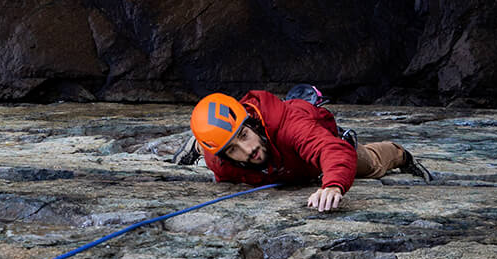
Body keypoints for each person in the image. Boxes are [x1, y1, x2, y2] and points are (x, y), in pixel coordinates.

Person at [177, 85, 432, 211]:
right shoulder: (218, 159)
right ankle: (195, 145)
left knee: (367, 164)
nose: (248, 150)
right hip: (279, 165)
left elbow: (331, 150)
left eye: (245, 135)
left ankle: (400, 154)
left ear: (252, 123)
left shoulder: (288, 124)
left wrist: (333, 184)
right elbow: (221, 154)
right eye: (233, 149)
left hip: (313, 153)